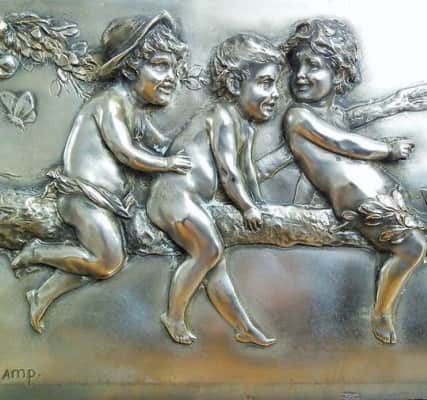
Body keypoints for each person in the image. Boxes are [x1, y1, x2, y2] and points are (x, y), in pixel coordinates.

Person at [282, 18, 427, 344]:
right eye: (296, 66)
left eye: (313, 66)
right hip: (360, 203)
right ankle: (381, 312)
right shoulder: (297, 116)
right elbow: (343, 144)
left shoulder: (334, 115)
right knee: (412, 247)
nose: (300, 75)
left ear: (339, 73)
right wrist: (387, 150)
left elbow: (313, 169)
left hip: (385, 195)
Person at [11, 11, 192, 333]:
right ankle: (37, 253)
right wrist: (168, 164)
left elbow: (161, 143)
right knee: (108, 261)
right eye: (161, 65)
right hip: (83, 198)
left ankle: (42, 295)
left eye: (175, 68)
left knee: (92, 259)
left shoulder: (133, 109)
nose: (171, 77)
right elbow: (126, 153)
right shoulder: (110, 102)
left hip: (107, 202)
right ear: (130, 67)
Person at [147, 33, 283, 346]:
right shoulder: (222, 115)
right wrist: (247, 207)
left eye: (275, 84)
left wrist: (258, 203)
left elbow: (246, 172)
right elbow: (228, 171)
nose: (275, 93)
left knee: (214, 264)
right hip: (173, 197)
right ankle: (174, 316)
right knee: (208, 251)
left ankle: (243, 327)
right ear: (235, 84)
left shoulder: (245, 126)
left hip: (192, 202)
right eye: (266, 83)